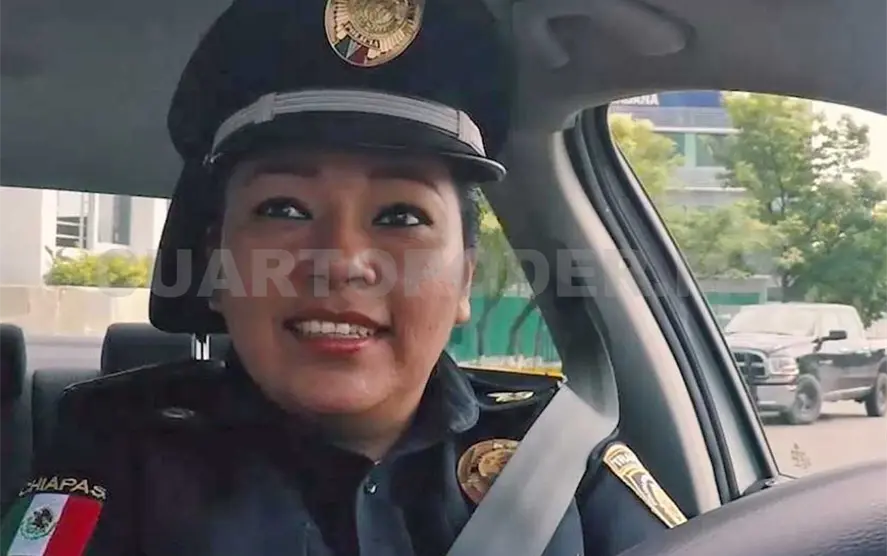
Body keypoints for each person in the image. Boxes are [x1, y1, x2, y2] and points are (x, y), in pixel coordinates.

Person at [0, 0, 688, 555]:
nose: (341, 259)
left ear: (462, 281)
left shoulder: (559, 456)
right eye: (283, 209)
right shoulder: (119, 451)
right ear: (217, 268)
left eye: (401, 216)